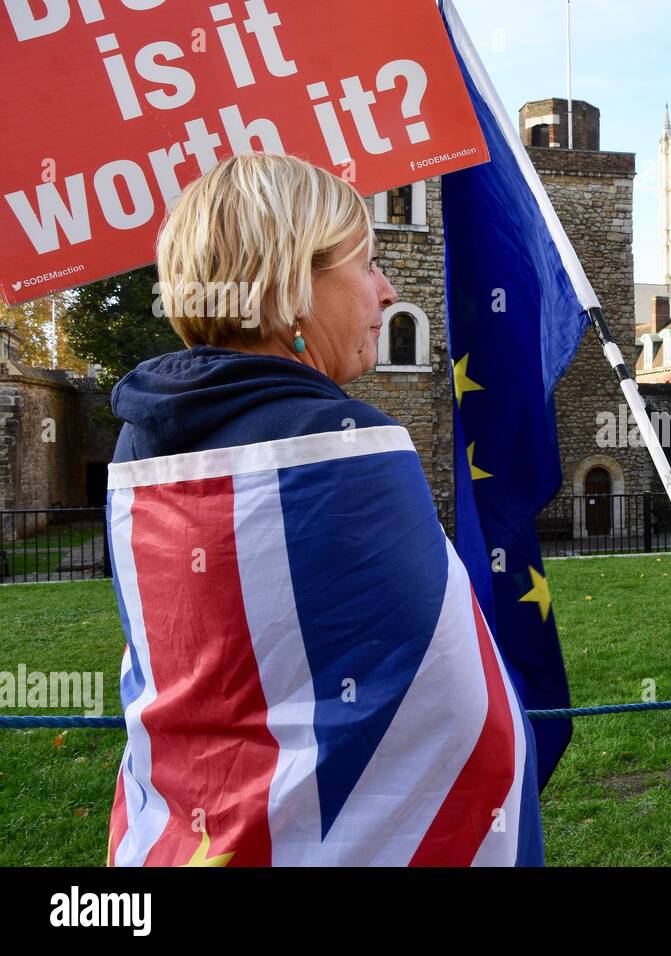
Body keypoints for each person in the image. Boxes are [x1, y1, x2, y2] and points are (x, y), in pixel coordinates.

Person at [105, 153, 543, 867]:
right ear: (293, 285)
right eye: (366, 263)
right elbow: (456, 708)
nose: (386, 288)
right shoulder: (347, 446)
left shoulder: (138, 443)